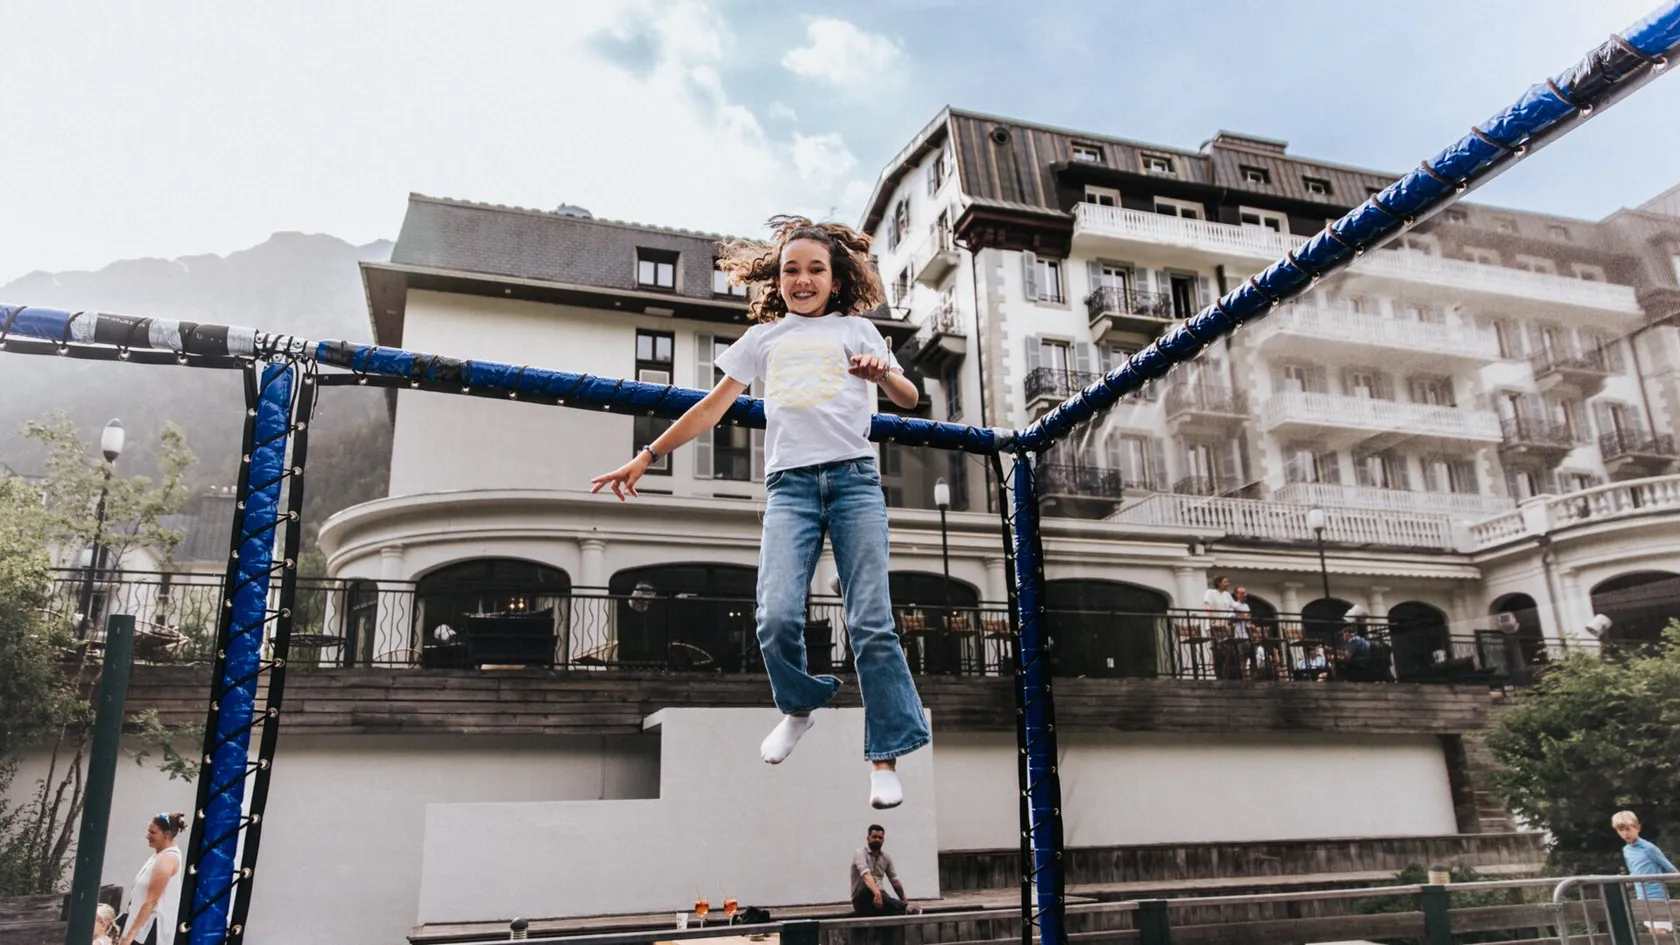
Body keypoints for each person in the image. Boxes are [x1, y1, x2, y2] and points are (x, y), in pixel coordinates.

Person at [591, 216, 929, 809]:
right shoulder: (763, 339)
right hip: (790, 489)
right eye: (791, 270)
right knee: (774, 615)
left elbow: (909, 397)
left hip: (854, 482)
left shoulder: (857, 330)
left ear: (835, 279)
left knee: (871, 622)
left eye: (815, 269)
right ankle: (799, 706)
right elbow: (709, 409)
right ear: (778, 279)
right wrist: (647, 455)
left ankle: (884, 758)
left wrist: (884, 374)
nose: (803, 279)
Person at [118, 812, 185, 945]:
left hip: (148, 931)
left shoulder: (167, 859)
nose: (147, 836)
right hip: (138, 928)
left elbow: (151, 901)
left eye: (153, 832)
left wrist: (130, 936)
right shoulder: (159, 855)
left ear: (167, 834)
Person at [1613, 810, 1675, 930]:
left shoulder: (1649, 848)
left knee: (1660, 932)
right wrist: (1623, 884)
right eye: (1621, 830)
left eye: (1628, 829)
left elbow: (1671, 869)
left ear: (1637, 828)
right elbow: (1634, 873)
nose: (1625, 833)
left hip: (1657, 897)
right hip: (1642, 897)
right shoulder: (1626, 850)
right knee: (1652, 932)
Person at [850, 825, 919, 916]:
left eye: (880, 838)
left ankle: (904, 908)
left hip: (880, 900)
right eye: (874, 837)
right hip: (862, 899)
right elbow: (866, 876)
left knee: (891, 907)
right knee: (868, 888)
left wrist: (905, 901)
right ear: (868, 838)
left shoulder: (886, 858)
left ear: (883, 840)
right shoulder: (859, 853)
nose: (877, 840)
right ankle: (904, 908)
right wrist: (877, 893)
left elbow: (895, 881)